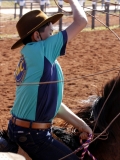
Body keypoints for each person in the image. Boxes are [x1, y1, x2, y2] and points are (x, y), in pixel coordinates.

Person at [7, 0, 92, 159]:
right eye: (50, 32)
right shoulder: (42, 50)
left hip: (19, 129)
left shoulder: (31, 55)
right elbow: (81, 21)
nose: (53, 35)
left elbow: (54, 105)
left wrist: (81, 125)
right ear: (37, 35)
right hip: (33, 135)